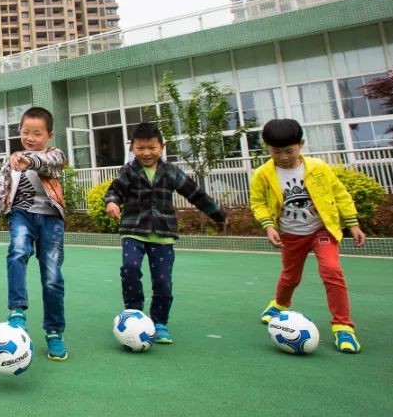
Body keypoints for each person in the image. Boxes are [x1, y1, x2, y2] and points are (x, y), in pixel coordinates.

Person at [104, 122, 227, 345]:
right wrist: (112, 203)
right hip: (133, 231)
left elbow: (195, 194)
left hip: (163, 233)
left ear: (162, 146)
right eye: (141, 148)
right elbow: (114, 191)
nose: (146, 153)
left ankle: (160, 322)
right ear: (132, 148)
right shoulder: (128, 171)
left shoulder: (171, 172)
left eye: (151, 147)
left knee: (163, 281)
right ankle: (134, 313)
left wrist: (218, 214)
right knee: (130, 268)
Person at [249, 118, 365, 353]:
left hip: (321, 231)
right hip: (291, 235)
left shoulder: (318, 168)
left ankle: (343, 326)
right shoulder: (262, 174)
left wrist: (352, 223)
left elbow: (340, 193)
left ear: (301, 144)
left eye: (289, 151)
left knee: (332, 271)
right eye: (276, 151)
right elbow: (258, 203)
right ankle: (280, 304)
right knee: (291, 276)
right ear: (267, 148)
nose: (283, 157)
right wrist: (268, 226)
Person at [0, 107, 69, 360]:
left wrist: (30, 160)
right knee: (18, 250)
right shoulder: (13, 160)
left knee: (52, 276)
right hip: (22, 214)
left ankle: (54, 332)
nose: (30, 137)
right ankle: (17, 310)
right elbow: (3, 190)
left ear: (49, 135)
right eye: (25, 132)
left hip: (51, 219)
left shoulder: (55, 154)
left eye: (37, 133)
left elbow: (50, 166)